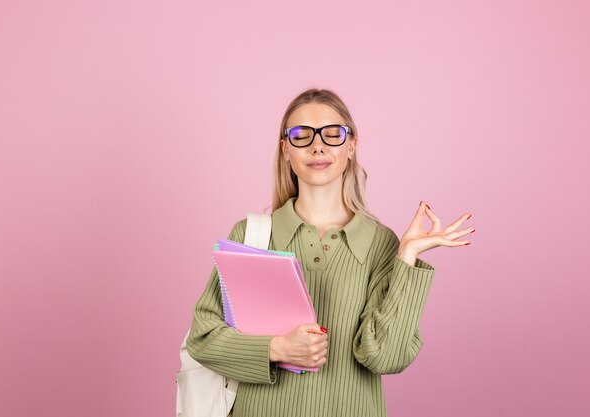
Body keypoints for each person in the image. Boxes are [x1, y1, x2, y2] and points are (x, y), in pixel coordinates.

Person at [186, 88, 475, 417]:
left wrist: (406, 256)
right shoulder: (251, 236)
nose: (317, 145)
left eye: (333, 133)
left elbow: (386, 357)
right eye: (301, 135)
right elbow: (202, 338)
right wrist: (276, 348)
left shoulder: (380, 244)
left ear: (351, 146)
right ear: (285, 150)